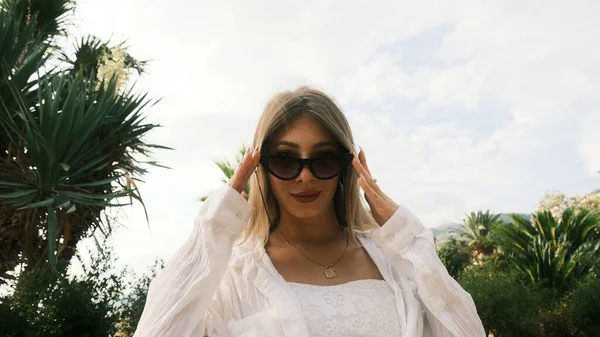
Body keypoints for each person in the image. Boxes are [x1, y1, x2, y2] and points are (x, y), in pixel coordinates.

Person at [134, 87, 486, 337]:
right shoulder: (234, 275)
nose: (305, 175)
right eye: (285, 159)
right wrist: (216, 225)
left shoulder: (396, 264)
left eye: (324, 158)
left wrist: (406, 235)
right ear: (261, 167)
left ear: (347, 166)